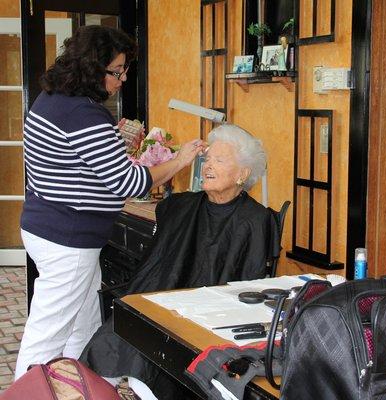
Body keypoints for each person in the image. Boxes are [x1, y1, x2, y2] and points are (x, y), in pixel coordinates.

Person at [15, 25, 205, 380]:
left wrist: (114, 148)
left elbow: (74, 165)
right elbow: (128, 183)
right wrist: (181, 160)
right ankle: (27, 389)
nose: (123, 79)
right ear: (92, 68)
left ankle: (86, 384)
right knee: (48, 333)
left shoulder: (51, 98)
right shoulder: (84, 115)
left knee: (83, 326)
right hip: (68, 239)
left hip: (46, 227)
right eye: (117, 71)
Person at [79, 124, 280, 400]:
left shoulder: (255, 220)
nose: (207, 166)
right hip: (162, 303)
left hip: (212, 316)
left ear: (242, 174)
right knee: (122, 342)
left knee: (157, 359)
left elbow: (250, 281)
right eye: (207, 159)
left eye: (219, 160)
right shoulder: (182, 206)